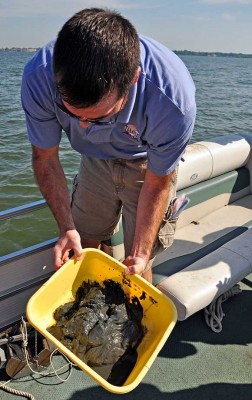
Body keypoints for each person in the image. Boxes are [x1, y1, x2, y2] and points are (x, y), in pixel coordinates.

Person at [21, 8, 196, 284]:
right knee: (82, 243)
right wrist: (66, 228)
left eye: (99, 116)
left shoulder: (173, 101)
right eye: (73, 114)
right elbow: (45, 157)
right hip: (94, 160)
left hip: (146, 162)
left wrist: (139, 253)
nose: (84, 128)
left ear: (133, 79)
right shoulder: (39, 77)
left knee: (137, 263)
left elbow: (158, 181)